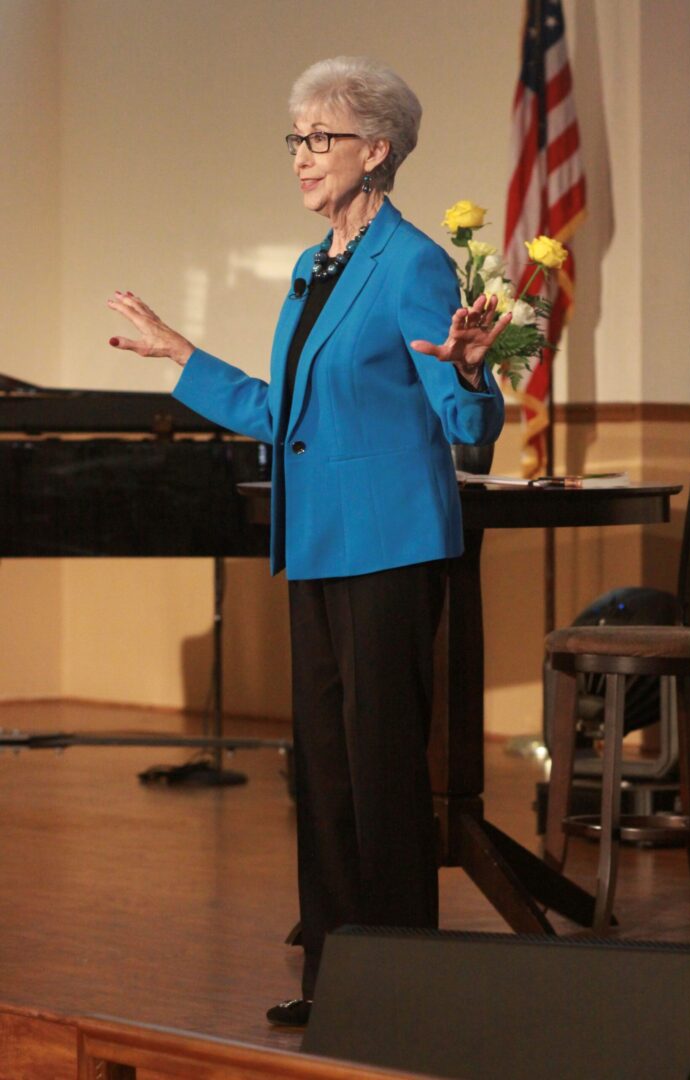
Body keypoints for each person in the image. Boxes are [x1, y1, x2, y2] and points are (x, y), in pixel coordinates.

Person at [107, 55, 509, 1028]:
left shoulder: (412, 262)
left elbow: (471, 431)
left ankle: (404, 983)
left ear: (377, 150)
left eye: (320, 138)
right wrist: (182, 355)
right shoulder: (312, 265)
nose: (301, 156)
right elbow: (283, 408)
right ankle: (333, 974)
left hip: (392, 545)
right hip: (319, 542)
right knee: (322, 772)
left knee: (380, 773)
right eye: (296, 138)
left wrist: (471, 372)